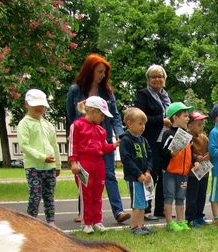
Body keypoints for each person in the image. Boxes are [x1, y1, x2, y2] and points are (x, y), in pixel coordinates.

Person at [66, 54, 129, 224]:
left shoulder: (107, 92)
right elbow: (71, 117)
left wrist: (119, 134)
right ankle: (84, 212)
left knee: (108, 175)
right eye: (100, 72)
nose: (103, 76)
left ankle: (118, 211)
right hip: (84, 145)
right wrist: (73, 143)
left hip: (103, 139)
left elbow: (115, 115)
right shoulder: (75, 91)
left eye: (104, 73)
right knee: (85, 178)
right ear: (90, 70)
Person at [69, 96, 121, 234]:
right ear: (92, 111)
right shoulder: (77, 126)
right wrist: (73, 162)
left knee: (97, 193)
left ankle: (97, 221)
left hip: (98, 163)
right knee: (86, 194)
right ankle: (86, 222)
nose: (103, 118)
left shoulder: (101, 130)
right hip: (84, 163)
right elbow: (72, 145)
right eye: (102, 115)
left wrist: (114, 145)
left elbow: (103, 148)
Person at [134, 65, 173, 221]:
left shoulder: (166, 97)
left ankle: (161, 209)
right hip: (150, 141)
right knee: (151, 174)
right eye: (153, 77)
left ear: (164, 79)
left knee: (165, 176)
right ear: (148, 80)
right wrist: (160, 121)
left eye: (160, 76)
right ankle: (146, 209)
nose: (157, 79)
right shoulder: (143, 94)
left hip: (165, 141)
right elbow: (139, 117)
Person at [17, 89, 61, 228]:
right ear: (27, 104)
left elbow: (54, 146)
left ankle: (51, 223)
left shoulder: (48, 125)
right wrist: (42, 157)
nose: (39, 108)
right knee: (35, 196)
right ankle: (30, 223)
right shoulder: (24, 124)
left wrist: (58, 165)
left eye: (41, 106)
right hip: (33, 167)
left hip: (50, 167)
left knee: (49, 196)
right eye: (35, 105)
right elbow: (25, 145)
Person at [160, 102, 194, 232]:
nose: (188, 119)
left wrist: (195, 161)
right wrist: (171, 153)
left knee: (180, 197)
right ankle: (169, 222)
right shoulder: (168, 133)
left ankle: (181, 221)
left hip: (184, 173)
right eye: (185, 116)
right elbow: (162, 152)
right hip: (170, 171)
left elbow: (190, 152)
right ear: (175, 118)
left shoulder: (187, 136)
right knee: (169, 196)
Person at [120, 107, 154, 235]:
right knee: (137, 203)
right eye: (140, 123)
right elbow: (126, 160)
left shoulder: (143, 140)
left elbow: (150, 156)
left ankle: (141, 226)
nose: (143, 127)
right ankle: (134, 228)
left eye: (144, 124)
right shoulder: (126, 140)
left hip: (144, 177)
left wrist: (148, 171)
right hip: (134, 178)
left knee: (143, 203)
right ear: (129, 123)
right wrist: (138, 174)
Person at [186, 111, 210, 228]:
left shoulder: (204, 138)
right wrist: (196, 157)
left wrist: (209, 155)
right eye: (198, 124)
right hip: (192, 173)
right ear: (189, 125)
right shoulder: (187, 137)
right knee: (192, 196)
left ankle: (199, 216)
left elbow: (210, 150)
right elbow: (187, 153)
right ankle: (191, 217)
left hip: (204, 171)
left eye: (202, 124)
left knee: (202, 195)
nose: (201, 127)